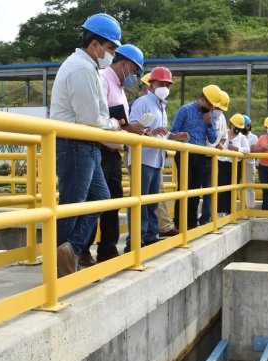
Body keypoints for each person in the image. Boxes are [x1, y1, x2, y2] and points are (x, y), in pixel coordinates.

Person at [50, 13, 126, 277]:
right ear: (95, 44)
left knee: (101, 198)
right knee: (72, 205)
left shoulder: (88, 67)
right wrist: (116, 126)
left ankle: (69, 249)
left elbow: (94, 118)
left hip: (86, 146)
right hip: (75, 145)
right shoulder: (81, 69)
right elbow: (90, 120)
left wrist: (109, 124)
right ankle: (56, 264)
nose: (112, 55)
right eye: (110, 48)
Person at [79, 43, 146, 266]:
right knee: (95, 202)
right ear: (125, 64)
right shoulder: (103, 79)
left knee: (113, 202)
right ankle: (83, 250)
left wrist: (129, 128)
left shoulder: (120, 87)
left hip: (114, 151)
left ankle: (107, 249)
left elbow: (119, 122)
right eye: (135, 71)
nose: (135, 77)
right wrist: (127, 128)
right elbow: (99, 117)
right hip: (100, 149)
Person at [125, 67, 189, 251]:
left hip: (156, 159)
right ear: (152, 84)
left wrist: (174, 136)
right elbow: (131, 126)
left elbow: (161, 132)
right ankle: (135, 240)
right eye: (162, 84)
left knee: (152, 202)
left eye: (168, 84)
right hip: (141, 158)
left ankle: (150, 235)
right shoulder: (142, 102)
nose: (165, 87)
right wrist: (149, 132)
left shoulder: (162, 106)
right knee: (139, 201)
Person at [170, 85, 222, 229]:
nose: (211, 108)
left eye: (213, 106)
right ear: (202, 99)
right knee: (184, 189)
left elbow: (212, 139)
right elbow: (173, 130)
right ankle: (180, 223)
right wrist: (180, 136)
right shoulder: (185, 110)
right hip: (185, 153)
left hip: (200, 155)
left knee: (195, 191)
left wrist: (210, 124)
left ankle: (191, 223)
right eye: (209, 104)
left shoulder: (210, 116)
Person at [199, 90, 229, 225]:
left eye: (221, 109)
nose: (218, 110)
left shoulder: (222, 118)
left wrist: (220, 144)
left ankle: (205, 218)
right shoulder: (205, 113)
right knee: (192, 190)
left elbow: (224, 137)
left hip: (212, 157)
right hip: (199, 155)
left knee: (210, 190)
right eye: (217, 108)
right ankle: (188, 220)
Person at [217, 113, 250, 215]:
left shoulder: (242, 137)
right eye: (235, 126)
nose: (237, 129)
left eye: (239, 127)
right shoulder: (223, 134)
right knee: (221, 187)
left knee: (232, 188)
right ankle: (220, 211)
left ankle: (230, 212)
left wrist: (237, 149)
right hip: (222, 163)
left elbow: (247, 150)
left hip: (235, 165)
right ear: (230, 124)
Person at [244, 115, 259, 209]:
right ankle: (242, 207)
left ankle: (250, 208)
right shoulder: (238, 136)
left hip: (248, 164)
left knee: (249, 186)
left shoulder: (253, 137)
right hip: (238, 163)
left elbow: (257, 152)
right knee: (238, 187)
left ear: (249, 126)